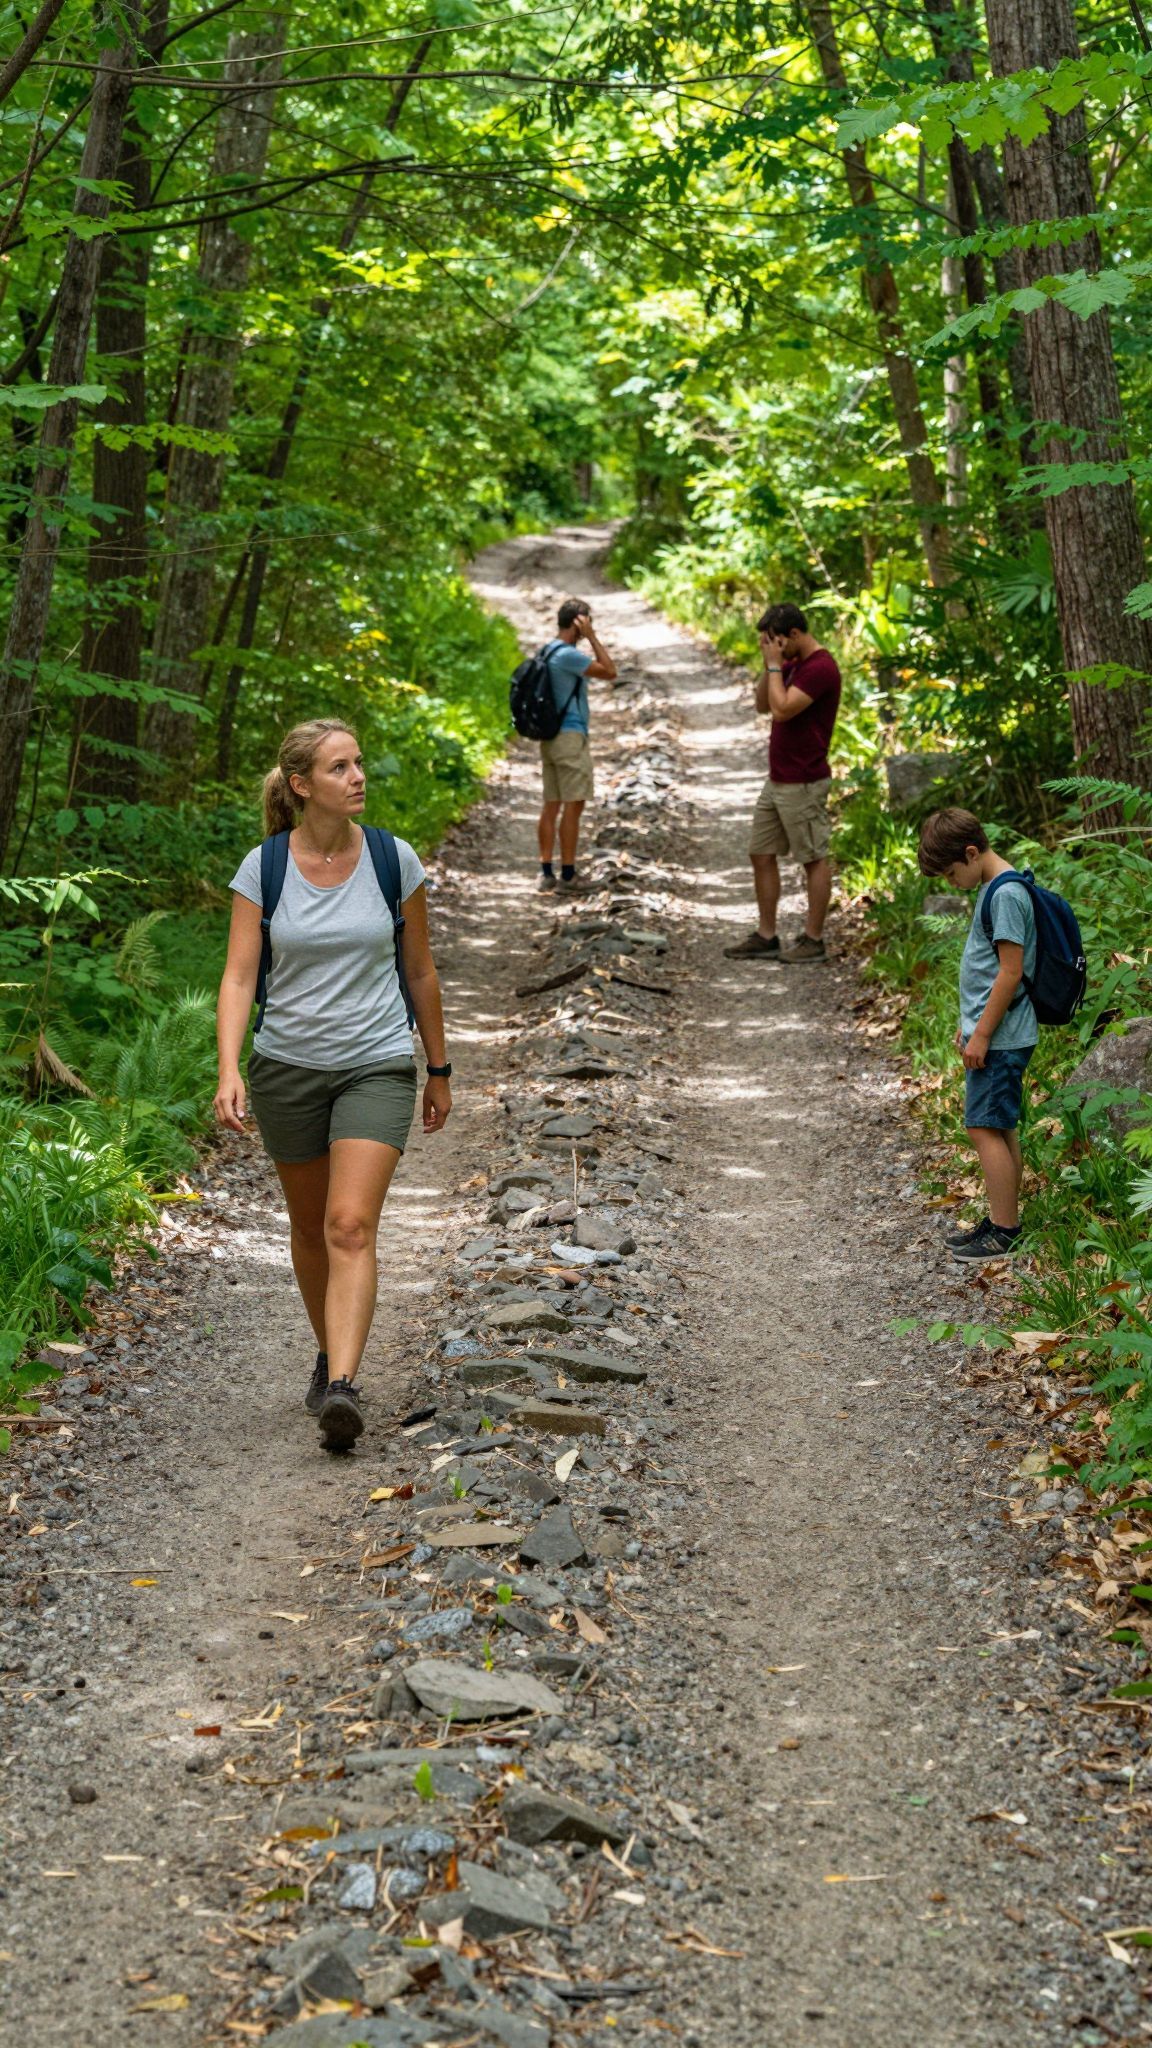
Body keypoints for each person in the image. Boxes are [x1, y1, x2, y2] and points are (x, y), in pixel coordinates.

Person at [213, 719, 452, 1447]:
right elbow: (240, 974)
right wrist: (229, 1066)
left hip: (375, 1062)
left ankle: (343, 1387)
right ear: (300, 785)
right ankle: (327, 1353)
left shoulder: (392, 859)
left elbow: (419, 971)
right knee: (311, 1229)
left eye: (358, 764)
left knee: (349, 1224)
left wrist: (437, 1068)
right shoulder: (265, 869)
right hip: (286, 1068)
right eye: (339, 767)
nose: (358, 777)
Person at [918, 807, 1037, 1262]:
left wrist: (983, 1034)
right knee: (997, 1125)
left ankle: (1006, 1230)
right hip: (997, 1033)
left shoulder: (1005, 895)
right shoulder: (998, 888)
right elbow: (988, 973)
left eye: (951, 874)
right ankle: (1002, 1217)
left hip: (1003, 1036)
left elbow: (1010, 973)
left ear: (971, 853)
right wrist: (970, 1026)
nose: (952, 883)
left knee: (982, 1126)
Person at [724, 601, 841, 964]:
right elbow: (763, 704)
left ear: (794, 634)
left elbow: (784, 708)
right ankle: (766, 934)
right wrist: (769, 667)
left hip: (804, 780)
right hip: (778, 779)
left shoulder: (821, 668)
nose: (773, 649)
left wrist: (775, 666)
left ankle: (814, 939)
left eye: (776, 641)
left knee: (813, 858)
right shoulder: (789, 664)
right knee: (760, 853)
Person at [536, 597, 617, 893]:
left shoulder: (546, 651)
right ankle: (568, 876)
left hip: (550, 737)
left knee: (551, 805)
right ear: (578, 622)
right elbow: (610, 671)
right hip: (569, 737)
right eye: (587, 622)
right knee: (574, 805)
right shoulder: (568, 655)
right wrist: (593, 637)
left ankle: (546, 872)